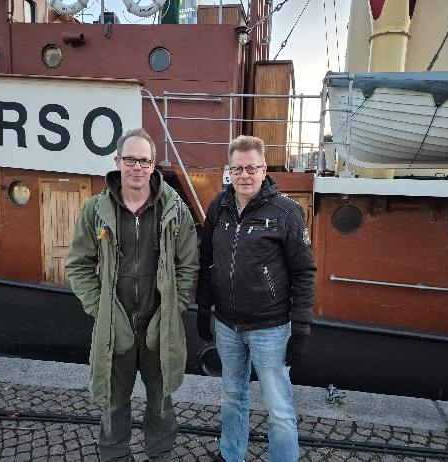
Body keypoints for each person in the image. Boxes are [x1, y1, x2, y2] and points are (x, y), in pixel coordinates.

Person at [66, 128, 199, 462]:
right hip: (116, 328)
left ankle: (161, 456)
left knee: (161, 404)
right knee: (113, 404)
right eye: (130, 160)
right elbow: (78, 265)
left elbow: (188, 264)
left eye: (144, 160)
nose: (137, 167)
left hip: (160, 327)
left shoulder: (175, 210)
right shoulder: (96, 210)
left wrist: (175, 306)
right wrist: (100, 308)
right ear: (117, 162)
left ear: (153, 165)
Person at [196, 135, 316, 462]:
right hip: (227, 325)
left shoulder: (286, 212)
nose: (244, 175)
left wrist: (301, 328)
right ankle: (231, 455)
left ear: (264, 170)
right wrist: (203, 308)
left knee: (278, 407)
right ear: (229, 171)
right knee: (232, 396)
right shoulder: (219, 207)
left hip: (271, 328)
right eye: (237, 169)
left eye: (251, 168)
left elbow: (304, 272)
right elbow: (207, 261)